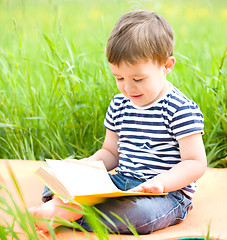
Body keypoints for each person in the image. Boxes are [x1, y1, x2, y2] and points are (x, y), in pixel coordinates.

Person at [29, 9, 207, 234]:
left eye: (138, 79)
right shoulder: (119, 104)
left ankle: (63, 211)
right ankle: (65, 206)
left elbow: (195, 162)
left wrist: (162, 182)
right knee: (58, 175)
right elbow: (111, 153)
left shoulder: (179, 109)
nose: (128, 87)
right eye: (119, 78)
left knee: (139, 216)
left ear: (167, 65)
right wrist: (85, 168)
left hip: (164, 194)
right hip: (120, 183)